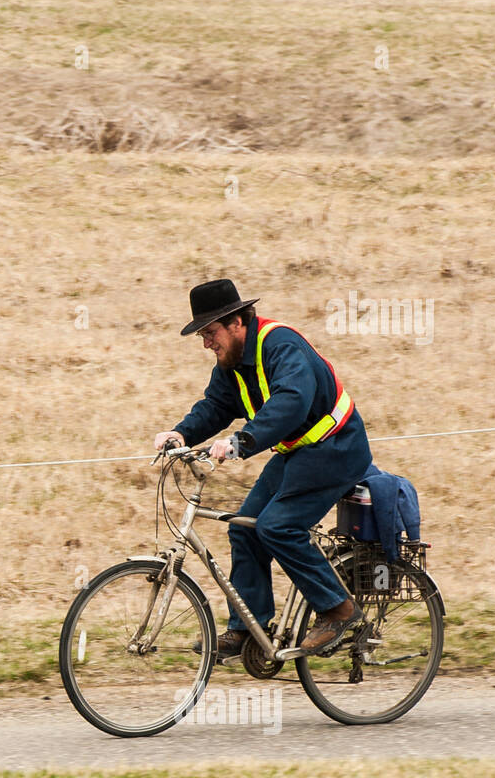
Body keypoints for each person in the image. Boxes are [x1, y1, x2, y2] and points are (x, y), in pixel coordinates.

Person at [153, 279, 372, 656]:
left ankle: (338, 609)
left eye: (210, 332)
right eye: (202, 335)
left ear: (237, 321)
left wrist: (242, 442)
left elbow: (291, 402)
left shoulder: (280, 345)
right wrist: (181, 433)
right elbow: (216, 406)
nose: (207, 343)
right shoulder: (232, 361)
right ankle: (248, 630)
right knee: (244, 529)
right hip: (298, 453)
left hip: (336, 448)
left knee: (278, 527)